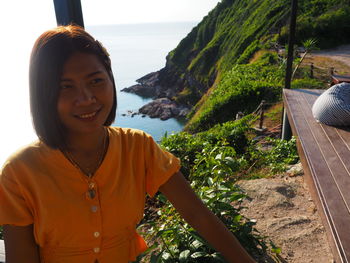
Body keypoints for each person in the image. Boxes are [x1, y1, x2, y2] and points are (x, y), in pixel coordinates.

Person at [0, 25, 255, 263]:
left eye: (96, 81)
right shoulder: (19, 172)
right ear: (44, 93)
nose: (86, 98)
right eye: (65, 87)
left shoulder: (137, 146)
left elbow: (197, 213)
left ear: (111, 79)